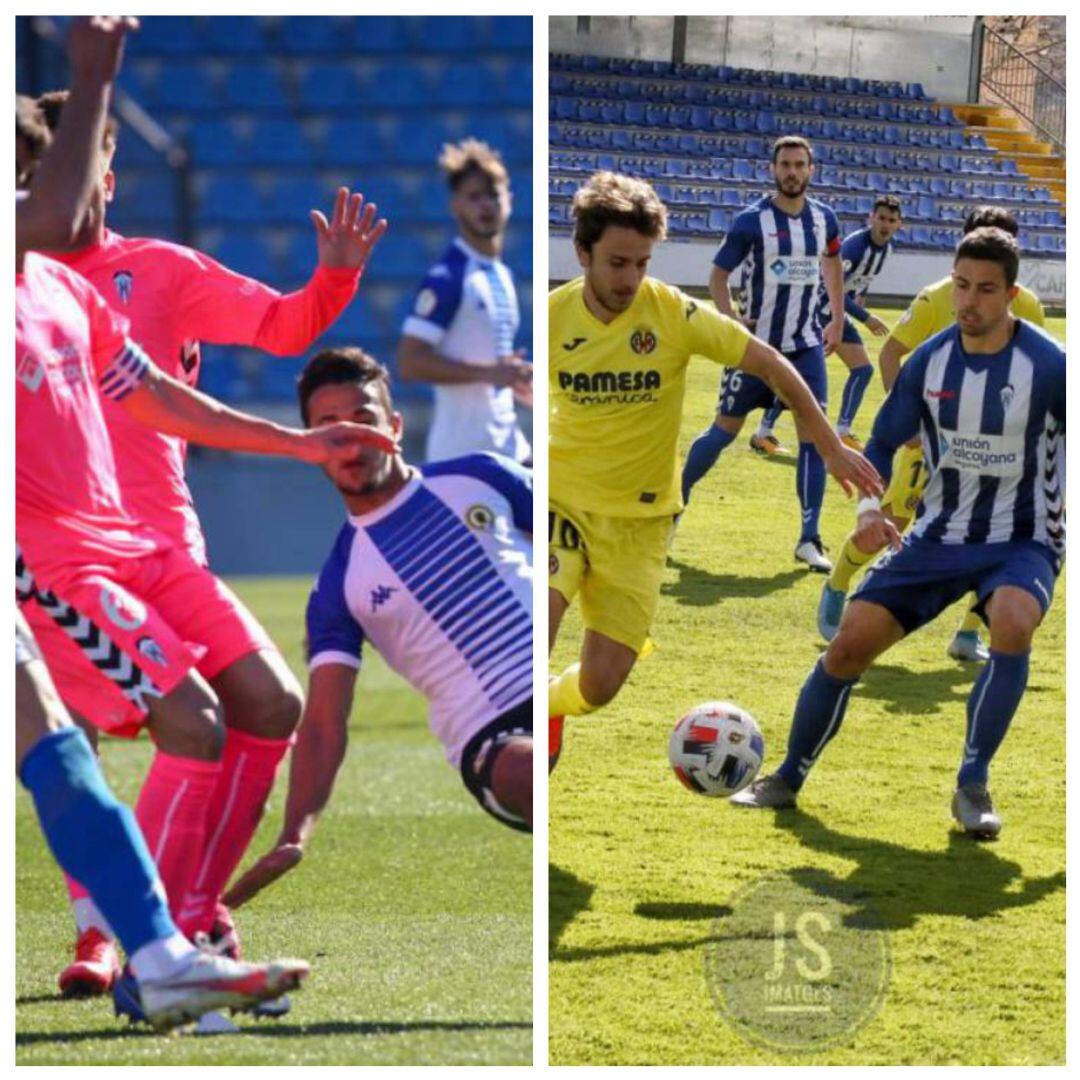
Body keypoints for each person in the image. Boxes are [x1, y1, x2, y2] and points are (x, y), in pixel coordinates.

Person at [24, 88, 386, 993]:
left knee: (258, 707)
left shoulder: (151, 272)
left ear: (106, 170)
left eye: (90, 161)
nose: (77, 183)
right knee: (93, 732)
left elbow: (279, 328)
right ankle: (108, 935)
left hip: (160, 543)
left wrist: (332, 279)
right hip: (57, 554)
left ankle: (175, 914)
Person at [733, 228, 1065, 841]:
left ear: (1012, 295)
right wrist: (867, 509)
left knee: (1014, 623)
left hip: (1022, 538)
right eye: (962, 285)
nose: (970, 301)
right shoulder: (929, 362)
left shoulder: (1051, 367)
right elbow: (882, 445)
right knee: (849, 647)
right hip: (938, 534)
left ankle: (973, 785)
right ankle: (786, 776)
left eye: (986, 291)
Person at [547, 171, 881, 771]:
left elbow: (773, 362)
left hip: (642, 521)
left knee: (599, 686)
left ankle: (545, 705)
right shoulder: (549, 319)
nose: (630, 279)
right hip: (560, 503)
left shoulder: (670, 313)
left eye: (642, 264)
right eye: (618, 263)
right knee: (532, 632)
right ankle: (523, 759)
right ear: (582, 252)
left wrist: (828, 443)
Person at [222, 348, 532, 908]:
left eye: (363, 419)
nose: (348, 437)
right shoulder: (338, 585)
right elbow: (323, 722)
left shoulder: (480, 476)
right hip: (493, 740)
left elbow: (583, 536)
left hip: (560, 683)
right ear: (309, 445)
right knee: (528, 768)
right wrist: (296, 833)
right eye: (327, 426)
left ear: (393, 425)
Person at [17, 610, 310, 1029]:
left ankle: (164, 946)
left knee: (74, 748)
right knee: (75, 741)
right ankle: (156, 944)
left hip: (108, 559)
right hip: (56, 567)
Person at [817, 205, 1050, 663]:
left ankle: (967, 633)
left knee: (1003, 542)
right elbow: (890, 356)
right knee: (897, 524)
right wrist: (911, 423)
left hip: (999, 453)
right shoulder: (934, 298)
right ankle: (839, 581)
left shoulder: (1027, 306)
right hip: (933, 444)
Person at [680, 135, 845, 571]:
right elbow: (718, 276)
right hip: (755, 351)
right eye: (785, 165)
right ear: (773, 170)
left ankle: (809, 539)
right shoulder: (751, 222)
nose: (792, 172)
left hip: (806, 349)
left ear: (811, 170)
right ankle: (673, 505)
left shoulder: (825, 220)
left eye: (799, 165)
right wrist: (731, 318)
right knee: (723, 432)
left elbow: (832, 264)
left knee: (814, 437)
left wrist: (838, 316)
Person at [397, 138, 531, 464]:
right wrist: (489, 373)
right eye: (474, 197)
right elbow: (410, 362)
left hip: (509, 447)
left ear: (509, 201)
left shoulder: (501, 275)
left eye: (493, 195)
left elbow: (493, 364)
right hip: (463, 457)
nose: (485, 205)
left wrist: (516, 377)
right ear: (455, 205)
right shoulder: (449, 277)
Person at [754, 194, 904, 452]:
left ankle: (843, 431)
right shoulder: (856, 246)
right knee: (800, 375)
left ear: (900, 224)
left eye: (891, 220)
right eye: (881, 218)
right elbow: (833, 287)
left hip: (838, 315)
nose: (885, 224)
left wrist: (860, 306)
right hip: (817, 313)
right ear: (871, 218)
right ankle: (763, 432)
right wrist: (866, 318)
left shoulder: (885, 250)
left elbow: (859, 284)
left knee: (863, 370)